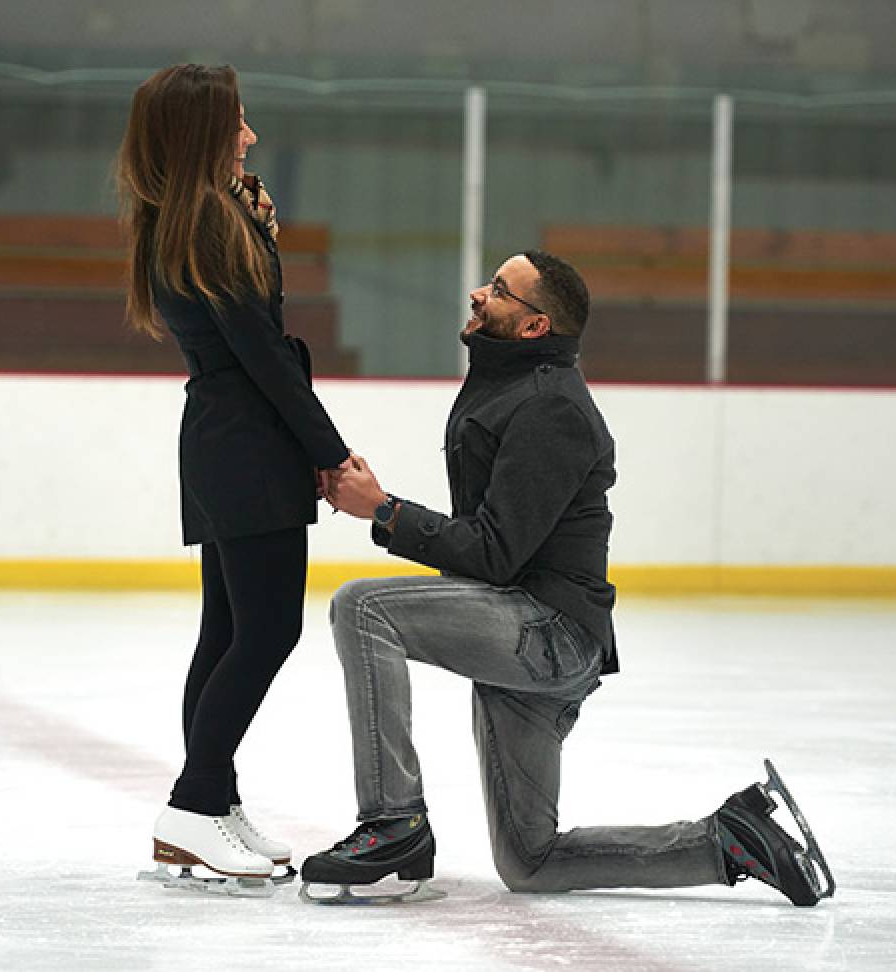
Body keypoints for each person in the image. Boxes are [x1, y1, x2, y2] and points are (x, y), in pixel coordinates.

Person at [302, 250, 835, 906]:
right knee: (530, 861)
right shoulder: (513, 387)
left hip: (544, 633)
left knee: (363, 608)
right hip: (526, 632)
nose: (477, 294)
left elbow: (496, 552)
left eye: (498, 290)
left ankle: (392, 821)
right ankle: (727, 839)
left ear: (534, 327)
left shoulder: (551, 406)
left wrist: (384, 510)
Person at [117, 64, 352, 892]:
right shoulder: (212, 226)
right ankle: (190, 805)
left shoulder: (184, 220)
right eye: (237, 126)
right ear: (201, 137)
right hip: (248, 442)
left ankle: (212, 802)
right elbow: (263, 356)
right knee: (265, 633)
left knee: (227, 633)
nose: (250, 138)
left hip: (223, 439)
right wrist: (332, 452)